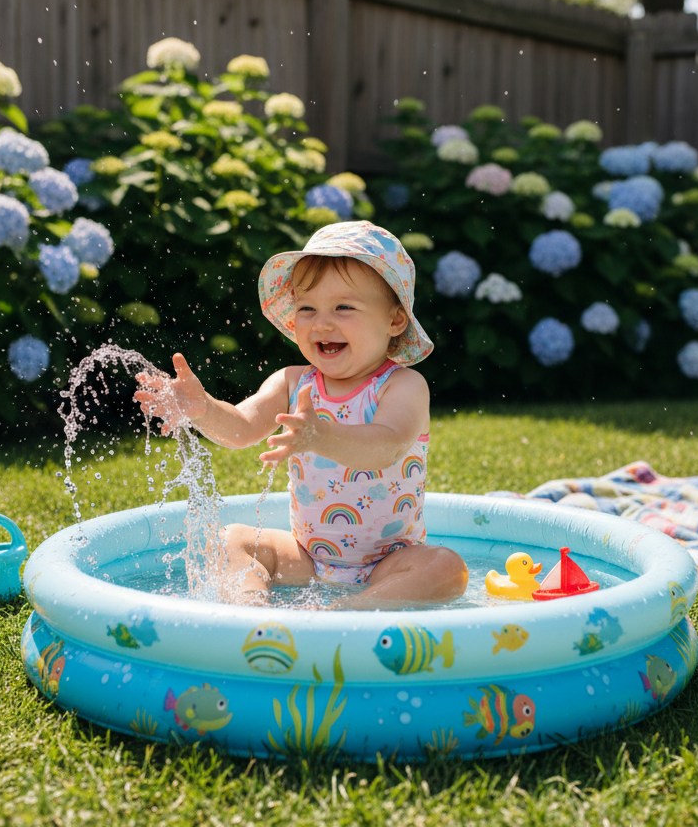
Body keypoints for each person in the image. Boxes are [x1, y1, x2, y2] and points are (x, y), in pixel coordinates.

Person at [134, 220, 469, 609]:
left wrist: (320, 436)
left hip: (390, 562)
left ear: (394, 320)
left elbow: (388, 446)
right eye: (307, 308)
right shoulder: (292, 382)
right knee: (229, 541)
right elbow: (241, 429)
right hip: (306, 557)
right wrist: (203, 409)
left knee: (446, 569)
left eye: (344, 307)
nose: (322, 322)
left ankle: (350, 610)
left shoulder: (403, 385)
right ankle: (251, 609)